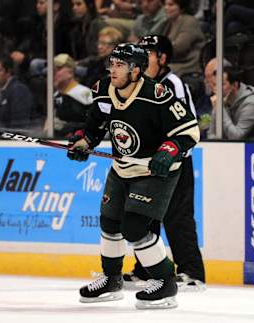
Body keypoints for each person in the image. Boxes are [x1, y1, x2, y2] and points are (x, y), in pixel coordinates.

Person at [67, 43, 200, 309]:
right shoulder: (103, 90)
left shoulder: (158, 95)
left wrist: (170, 150)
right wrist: (84, 142)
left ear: (136, 70)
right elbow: (96, 124)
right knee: (109, 223)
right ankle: (111, 280)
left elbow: (189, 131)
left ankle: (165, 283)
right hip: (122, 167)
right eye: (112, 64)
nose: (113, 70)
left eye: (120, 65)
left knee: (135, 227)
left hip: (155, 170)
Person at [120, 34, 205, 290]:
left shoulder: (173, 84)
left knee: (177, 217)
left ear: (163, 58)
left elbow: (182, 128)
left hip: (175, 164)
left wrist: (166, 153)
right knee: (144, 217)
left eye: (149, 54)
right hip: (148, 163)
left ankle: (192, 272)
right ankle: (146, 270)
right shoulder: (141, 86)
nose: (143, 59)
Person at [208, 67, 254, 140]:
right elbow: (211, 135)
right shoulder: (222, 100)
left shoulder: (252, 104)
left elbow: (236, 137)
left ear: (234, 85)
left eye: (222, 84)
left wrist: (220, 109)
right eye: (215, 84)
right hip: (231, 148)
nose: (216, 89)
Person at [53, 53, 93, 137]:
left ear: (70, 72)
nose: (54, 73)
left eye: (58, 69)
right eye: (53, 69)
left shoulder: (85, 94)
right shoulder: (55, 95)